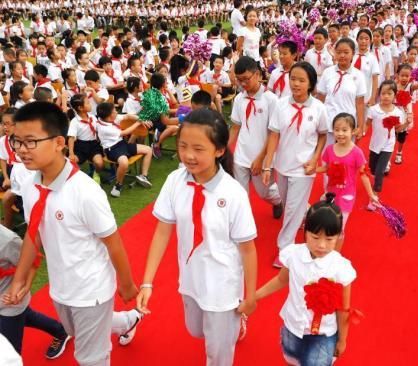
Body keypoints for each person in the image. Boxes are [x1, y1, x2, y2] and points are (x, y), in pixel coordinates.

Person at [4, 102, 139, 366]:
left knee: (91, 359)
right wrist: (20, 278)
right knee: (79, 332)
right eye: (16, 141)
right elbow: (34, 233)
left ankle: (123, 320)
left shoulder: (85, 192)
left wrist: (125, 283)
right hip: (61, 286)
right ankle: (127, 320)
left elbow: (113, 243)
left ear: (58, 142)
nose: (20, 150)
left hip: (91, 288)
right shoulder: (31, 183)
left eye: (30, 142)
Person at [136, 108, 258, 366]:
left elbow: (248, 248)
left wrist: (250, 296)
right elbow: (162, 231)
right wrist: (147, 282)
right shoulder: (174, 181)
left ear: (219, 150)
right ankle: (231, 328)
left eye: (199, 149)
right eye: (183, 146)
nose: (189, 156)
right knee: (196, 331)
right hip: (190, 278)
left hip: (223, 285)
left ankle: (231, 326)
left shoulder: (234, 193)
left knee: (217, 353)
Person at [255, 194, 357, 366]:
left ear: (339, 236)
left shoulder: (341, 268)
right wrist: (255, 295)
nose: (322, 245)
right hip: (292, 326)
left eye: (329, 239)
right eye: (316, 237)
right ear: (305, 231)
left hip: (323, 335)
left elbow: (343, 308)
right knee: (291, 360)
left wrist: (342, 339)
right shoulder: (293, 254)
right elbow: (281, 280)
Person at [262, 61, 328, 268]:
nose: (296, 84)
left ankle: (284, 250)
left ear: (310, 84)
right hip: (282, 166)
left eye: (301, 80)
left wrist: (315, 158)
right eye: (293, 79)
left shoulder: (319, 108)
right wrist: (267, 165)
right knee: (289, 202)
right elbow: (274, 134)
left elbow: (323, 135)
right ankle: (305, 212)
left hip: (303, 169)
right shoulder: (281, 104)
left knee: (290, 211)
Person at [0, 224, 71, 359]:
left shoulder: (7, 241)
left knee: (9, 356)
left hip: (10, 303)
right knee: (27, 317)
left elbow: (33, 258)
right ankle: (60, 331)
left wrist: (25, 287)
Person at [229, 56, 283, 218]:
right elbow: (236, 127)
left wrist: (261, 159)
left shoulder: (271, 100)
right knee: (240, 194)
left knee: (264, 192)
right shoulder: (239, 99)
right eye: (239, 81)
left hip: (262, 156)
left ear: (258, 75)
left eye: (246, 79)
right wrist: (224, 148)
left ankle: (278, 201)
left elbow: (274, 134)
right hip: (241, 155)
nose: (243, 84)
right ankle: (242, 226)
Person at [317, 113, 378, 251]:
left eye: (345, 130)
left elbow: (363, 174)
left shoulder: (357, 152)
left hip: (346, 196)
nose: (340, 134)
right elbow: (326, 168)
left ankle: (335, 256)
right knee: (328, 223)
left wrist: (371, 195)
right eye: (337, 130)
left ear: (353, 130)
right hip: (330, 194)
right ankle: (326, 250)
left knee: (339, 228)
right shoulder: (329, 150)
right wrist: (312, 170)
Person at [96, 102, 153, 197]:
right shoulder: (103, 128)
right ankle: (118, 185)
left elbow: (127, 116)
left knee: (148, 150)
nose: (116, 112)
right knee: (124, 162)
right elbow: (125, 132)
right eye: (114, 111)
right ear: (110, 116)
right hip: (111, 149)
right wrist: (138, 123)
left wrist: (141, 119)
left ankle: (143, 176)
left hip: (122, 144)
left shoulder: (109, 118)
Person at [317, 38, 367, 147]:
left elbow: (360, 103)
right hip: (328, 123)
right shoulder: (327, 72)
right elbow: (320, 98)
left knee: (345, 158)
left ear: (353, 53)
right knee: (327, 157)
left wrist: (360, 126)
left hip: (348, 126)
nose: (342, 55)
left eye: (346, 52)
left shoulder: (359, 75)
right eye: (339, 52)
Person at [364, 80, 407, 203]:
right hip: (374, 144)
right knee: (372, 168)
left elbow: (398, 129)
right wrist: (361, 133)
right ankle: (375, 179)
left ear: (395, 95)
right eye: (383, 93)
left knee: (379, 171)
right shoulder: (373, 109)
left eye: (389, 93)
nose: (386, 96)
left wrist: (407, 123)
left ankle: (375, 193)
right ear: (379, 95)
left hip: (388, 145)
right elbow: (367, 124)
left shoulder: (397, 112)